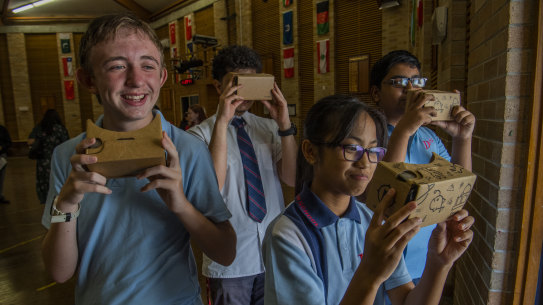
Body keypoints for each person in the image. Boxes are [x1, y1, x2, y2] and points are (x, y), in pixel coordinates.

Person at [40, 13, 236, 304]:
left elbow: (225, 253)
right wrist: (66, 205)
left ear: (162, 76)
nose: (135, 80)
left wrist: (181, 205)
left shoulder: (188, 150)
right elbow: (60, 272)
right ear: (87, 79)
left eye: (148, 65)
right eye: (117, 66)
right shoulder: (68, 157)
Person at [262, 95, 474, 305]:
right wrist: (371, 273)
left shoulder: (372, 221)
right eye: (351, 148)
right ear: (311, 152)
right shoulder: (288, 236)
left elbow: (406, 300)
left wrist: (439, 263)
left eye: (373, 150)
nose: (365, 162)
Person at [188, 45, 297, 305]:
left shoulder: (269, 128)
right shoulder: (198, 136)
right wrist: (223, 123)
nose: (244, 92)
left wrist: (285, 125)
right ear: (218, 87)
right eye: (236, 83)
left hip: (273, 253)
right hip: (230, 262)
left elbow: (293, 179)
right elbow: (212, 187)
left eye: (251, 83)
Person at [369, 50, 476, 287]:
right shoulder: (368, 134)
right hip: (381, 257)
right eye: (399, 82)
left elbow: (457, 186)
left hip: (422, 257)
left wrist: (462, 139)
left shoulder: (428, 135)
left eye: (417, 82)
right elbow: (387, 192)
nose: (410, 90)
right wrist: (404, 129)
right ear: (376, 93)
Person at [28, 109, 70, 204]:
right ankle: (58, 199)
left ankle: (46, 200)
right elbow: (67, 143)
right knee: (58, 179)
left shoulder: (40, 128)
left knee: (44, 181)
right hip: (58, 159)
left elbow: (30, 141)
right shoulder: (60, 129)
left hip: (43, 160)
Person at [0, 123, 11, 204]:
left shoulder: (2, 129)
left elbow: (8, 142)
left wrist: (2, 147)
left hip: (1, 156)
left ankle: (0, 195)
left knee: (1, 177)